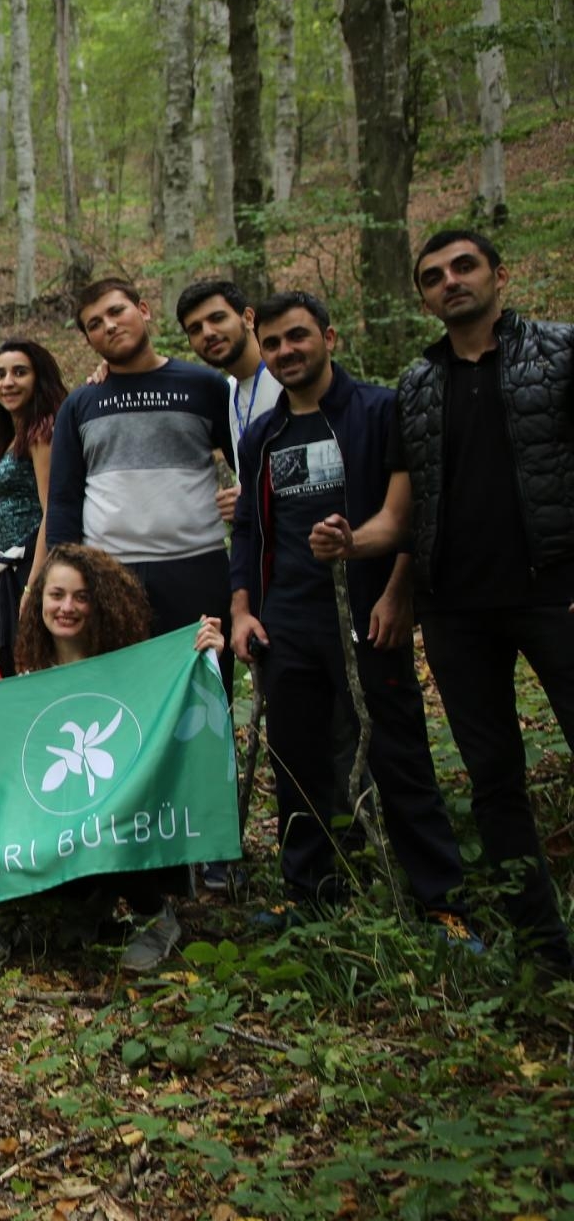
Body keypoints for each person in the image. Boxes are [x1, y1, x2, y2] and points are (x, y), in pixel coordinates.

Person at [309, 229, 574, 975]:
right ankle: (543, 947)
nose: (450, 282)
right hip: (456, 611)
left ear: (499, 273)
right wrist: (352, 546)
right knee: (493, 778)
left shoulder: (558, 354)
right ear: (422, 295)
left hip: (556, 593)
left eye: (465, 267)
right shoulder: (417, 386)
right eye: (434, 276)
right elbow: (401, 516)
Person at [227, 291, 469, 928]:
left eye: (299, 337)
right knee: (297, 762)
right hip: (287, 623)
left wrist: (397, 592)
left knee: (399, 755)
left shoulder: (378, 411)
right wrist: (243, 612)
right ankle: (310, 895)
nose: (286, 352)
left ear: (329, 338)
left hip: (366, 615)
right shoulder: (262, 436)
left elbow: (413, 513)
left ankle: (440, 899)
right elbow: (249, 532)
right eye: (275, 343)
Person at [0, 545, 223, 974]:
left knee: (109, 807)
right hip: (53, 813)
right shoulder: (28, 671)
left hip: (125, 814)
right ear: (39, 599)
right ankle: (78, 906)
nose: (67, 607)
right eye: (57, 595)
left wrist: (205, 651)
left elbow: (173, 723)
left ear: (100, 602)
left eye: (81, 597)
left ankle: (155, 913)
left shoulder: (131, 666)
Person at [48, 279, 237, 638]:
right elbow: (63, 499)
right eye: (95, 324)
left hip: (197, 566)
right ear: (90, 342)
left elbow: (249, 462)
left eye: (116, 311)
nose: (109, 325)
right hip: (107, 572)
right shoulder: (80, 405)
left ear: (144, 310)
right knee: (121, 690)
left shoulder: (206, 386)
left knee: (203, 685)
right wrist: (63, 576)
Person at [0, 340, 67, 671]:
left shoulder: (42, 433)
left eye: (20, 372)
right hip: (11, 566)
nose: (8, 382)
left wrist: (35, 582)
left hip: (34, 562)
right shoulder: (10, 435)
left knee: (36, 661)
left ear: (38, 377)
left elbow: (51, 509)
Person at [177, 279, 280, 476]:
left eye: (217, 318)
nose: (208, 333)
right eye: (195, 329)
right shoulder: (227, 392)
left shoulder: (288, 379)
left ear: (249, 318)